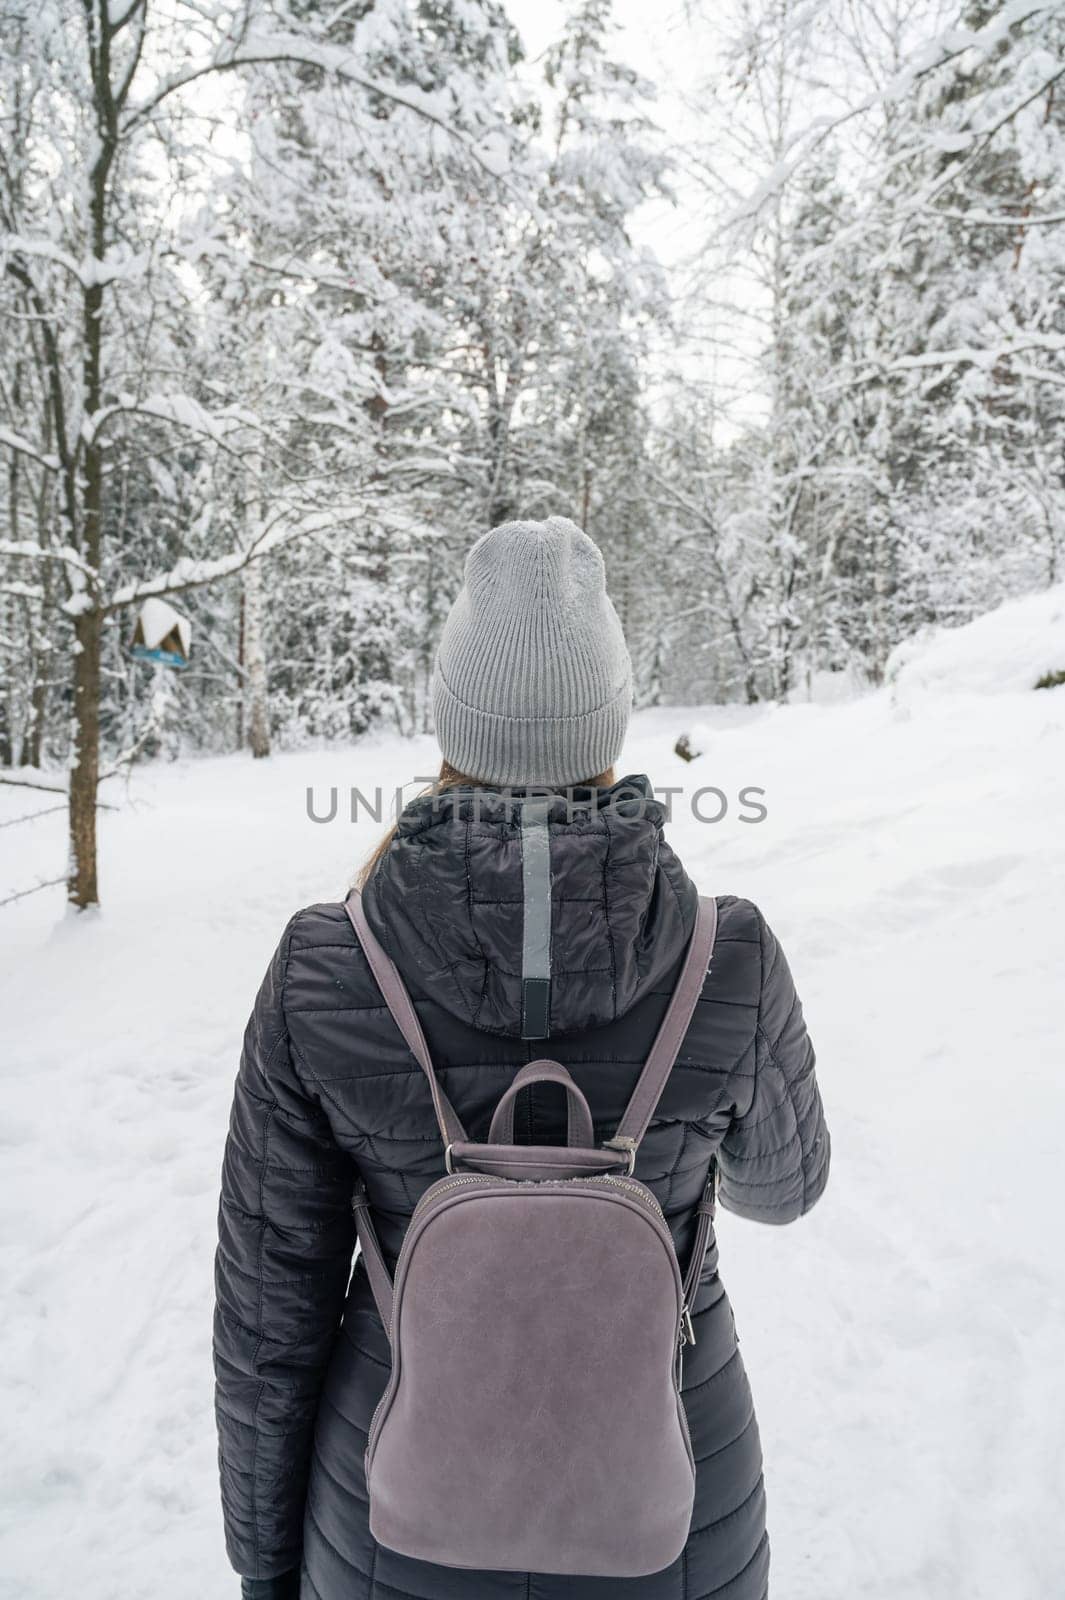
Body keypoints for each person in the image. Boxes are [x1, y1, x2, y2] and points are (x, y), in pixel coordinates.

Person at [214, 516, 831, 1600]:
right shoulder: (726, 953)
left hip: (389, 1524)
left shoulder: (328, 963)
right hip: (671, 1515)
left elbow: (271, 1322)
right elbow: (785, 1189)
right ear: (611, 718)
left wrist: (270, 1565)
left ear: (451, 714)